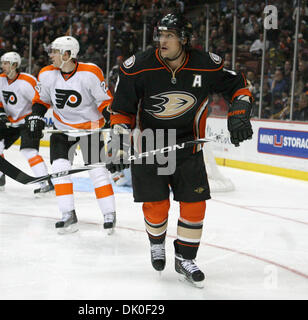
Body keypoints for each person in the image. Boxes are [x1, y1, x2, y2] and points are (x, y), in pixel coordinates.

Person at [106, 12, 253, 288]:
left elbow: (239, 86)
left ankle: (185, 257)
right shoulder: (137, 66)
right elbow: (121, 111)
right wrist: (118, 144)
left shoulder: (206, 65)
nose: (162, 40)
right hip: (150, 145)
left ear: (184, 40)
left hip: (189, 145)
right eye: (160, 35)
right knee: (157, 205)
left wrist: (240, 109)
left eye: (169, 35)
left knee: (195, 204)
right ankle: (157, 242)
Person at [26, 36, 117, 234]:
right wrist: (36, 117)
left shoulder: (90, 72)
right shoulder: (46, 74)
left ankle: (109, 214)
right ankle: (68, 214)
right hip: (62, 128)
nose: (50, 55)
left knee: (98, 172)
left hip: (90, 128)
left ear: (67, 55)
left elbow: (104, 102)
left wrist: (114, 123)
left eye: (55, 52)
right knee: (59, 170)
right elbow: (41, 101)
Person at [0, 51, 53, 196]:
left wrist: (36, 119)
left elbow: (39, 102)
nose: (3, 66)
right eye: (3, 63)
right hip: (11, 122)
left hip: (27, 121)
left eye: (6, 63)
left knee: (28, 151)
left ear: (15, 65)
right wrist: (0, 114)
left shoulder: (27, 82)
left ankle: (45, 182)